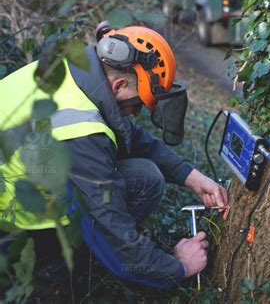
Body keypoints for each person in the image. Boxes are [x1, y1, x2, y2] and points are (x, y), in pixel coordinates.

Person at [0, 24, 228, 290]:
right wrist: (179, 266)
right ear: (119, 85)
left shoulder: (73, 73)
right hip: (8, 230)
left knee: (145, 177)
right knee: (108, 229)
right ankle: (56, 266)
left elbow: (131, 135)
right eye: (137, 104)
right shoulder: (80, 135)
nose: (136, 113)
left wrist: (191, 176)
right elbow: (112, 228)